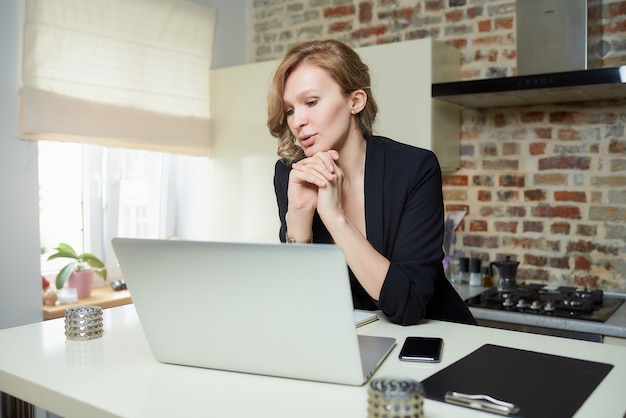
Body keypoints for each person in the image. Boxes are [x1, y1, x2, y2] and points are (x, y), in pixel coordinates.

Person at [267, 39, 475, 326]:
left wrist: (335, 217)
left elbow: (408, 307)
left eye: (311, 102)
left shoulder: (414, 169)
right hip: (354, 340)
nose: (297, 121)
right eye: (290, 109)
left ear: (355, 101)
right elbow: (301, 302)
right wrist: (300, 216)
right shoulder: (292, 175)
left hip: (438, 339)